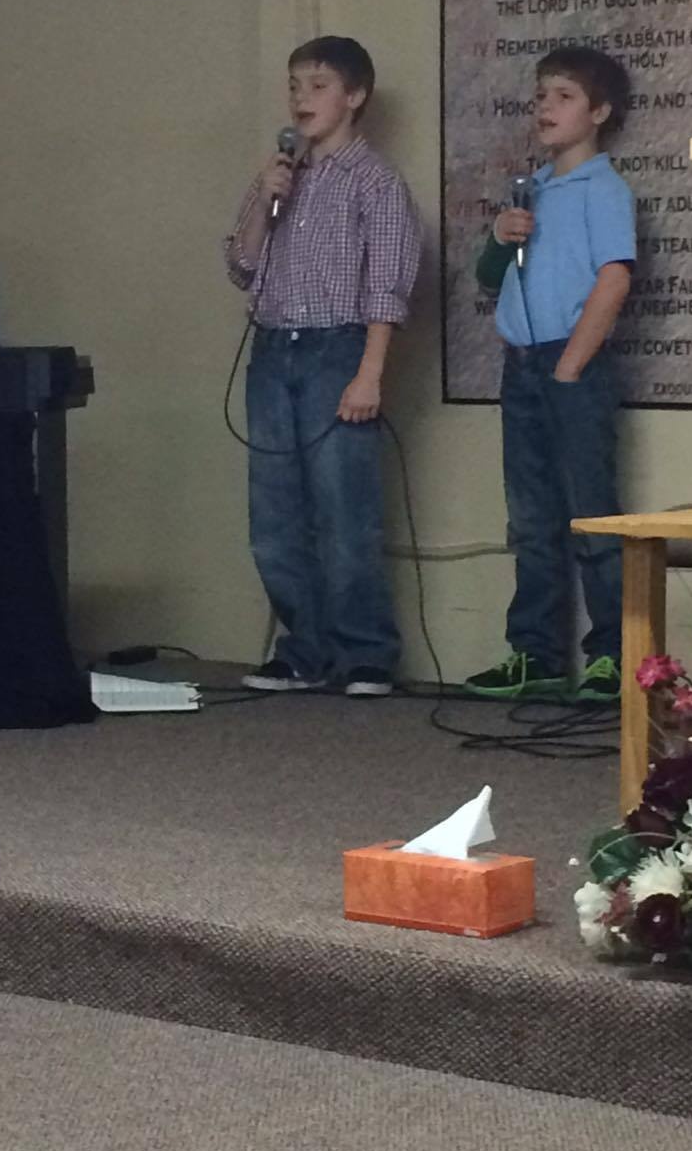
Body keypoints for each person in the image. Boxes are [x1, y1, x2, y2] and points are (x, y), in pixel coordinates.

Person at [223, 35, 421, 698]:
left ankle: (365, 652)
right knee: (274, 512)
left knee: (344, 509)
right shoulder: (280, 175)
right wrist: (265, 196)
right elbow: (241, 265)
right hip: (273, 349)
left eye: (317, 86)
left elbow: (386, 289)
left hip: (338, 348)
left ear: (354, 96)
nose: (301, 99)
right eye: (294, 86)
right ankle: (303, 649)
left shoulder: (376, 182)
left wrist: (370, 374)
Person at [466, 44, 636, 704]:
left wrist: (569, 367)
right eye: (541, 95)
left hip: (571, 363)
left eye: (564, 96)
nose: (546, 107)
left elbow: (613, 278)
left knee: (591, 516)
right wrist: (498, 238)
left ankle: (613, 654)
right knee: (532, 519)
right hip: (522, 365)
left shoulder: (603, 187)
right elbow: (490, 278)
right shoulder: (532, 189)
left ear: (599, 112)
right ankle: (535, 653)